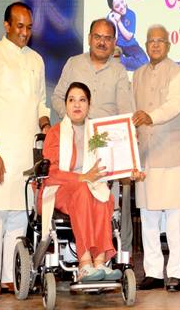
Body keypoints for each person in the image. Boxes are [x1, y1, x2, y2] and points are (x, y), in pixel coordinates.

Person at [0, 2, 51, 300]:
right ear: (6, 25)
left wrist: (46, 124)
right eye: (19, 26)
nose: (24, 32)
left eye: (29, 27)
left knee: (19, 215)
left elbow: (40, 102)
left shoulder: (36, 60)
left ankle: (9, 276)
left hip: (25, 151)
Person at [42, 82, 144, 281]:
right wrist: (82, 177)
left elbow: (111, 164)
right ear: (65, 105)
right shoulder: (55, 133)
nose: (77, 104)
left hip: (90, 187)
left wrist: (130, 172)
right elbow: (51, 173)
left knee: (103, 196)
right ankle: (84, 263)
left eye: (82, 100)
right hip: (60, 189)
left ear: (89, 105)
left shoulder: (99, 132)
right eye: (71, 100)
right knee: (84, 189)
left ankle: (99, 262)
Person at [51, 18, 134, 256]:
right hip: (74, 142)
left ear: (114, 42)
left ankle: (113, 255)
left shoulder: (119, 71)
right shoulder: (74, 63)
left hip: (104, 146)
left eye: (107, 38)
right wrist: (74, 118)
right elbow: (57, 97)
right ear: (89, 38)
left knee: (109, 200)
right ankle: (82, 256)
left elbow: (125, 110)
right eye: (98, 37)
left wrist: (127, 142)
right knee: (79, 193)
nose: (102, 42)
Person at [132, 25, 180, 292]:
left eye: (160, 41)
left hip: (173, 154)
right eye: (151, 41)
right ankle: (154, 272)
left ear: (168, 45)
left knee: (176, 218)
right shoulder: (137, 75)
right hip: (146, 155)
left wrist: (150, 117)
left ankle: (175, 273)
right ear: (145, 45)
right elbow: (132, 111)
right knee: (148, 216)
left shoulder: (178, 73)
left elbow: (175, 105)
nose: (155, 45)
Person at [107, 0, 148, 71]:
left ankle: (120, 61)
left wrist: (119, 22)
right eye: (117, 6)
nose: (121, 6)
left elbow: (129, 37)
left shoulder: (131, 14)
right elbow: (114, 40)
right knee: (111, 52)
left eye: (122, 2)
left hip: (131, 45)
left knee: (145, 63)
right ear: (112, 9)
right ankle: (118, 60)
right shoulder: (110, 18)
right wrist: (114, 22)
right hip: (117, 46)